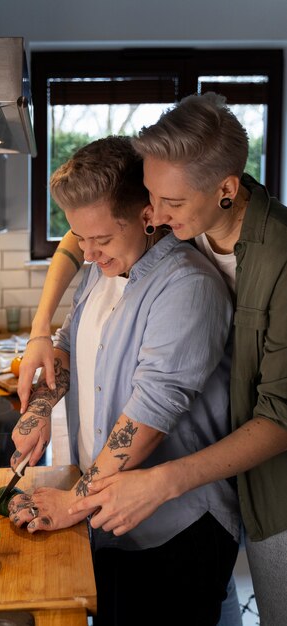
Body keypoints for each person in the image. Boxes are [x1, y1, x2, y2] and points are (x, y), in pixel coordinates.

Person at [21, 92, 287, 626]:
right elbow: (75, 303)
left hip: (216, 507)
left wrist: (76, 501)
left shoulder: (209, 275)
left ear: (225, 191)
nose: (155, 214)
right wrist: (39, 394)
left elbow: (267, 415)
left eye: (169, 204)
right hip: (124, 511)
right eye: (150, 197)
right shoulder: (132, 244)